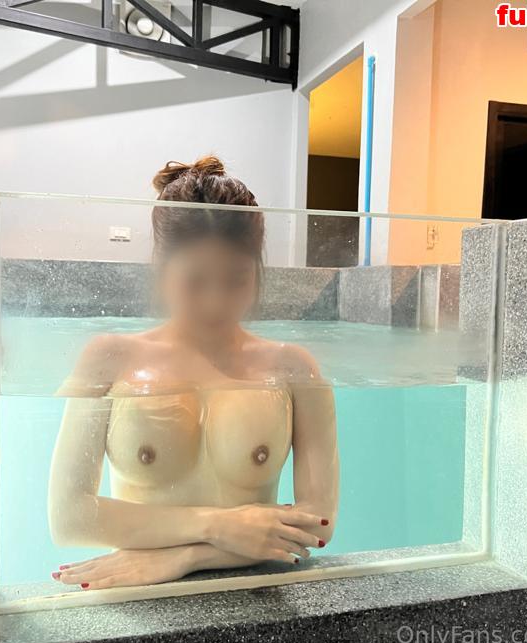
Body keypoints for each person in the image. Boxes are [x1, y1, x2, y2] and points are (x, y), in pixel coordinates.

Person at [47, 156, 339, 590]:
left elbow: (317, 523)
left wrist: (186, 557)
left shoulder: (293, 369)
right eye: (195, 281)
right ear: (162, 268)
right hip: (139, 594)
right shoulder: (109, 359)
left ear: (258, 273)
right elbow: (69, 517)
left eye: (236, 280)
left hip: (250, 590)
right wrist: (216, 526)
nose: (215, 302)